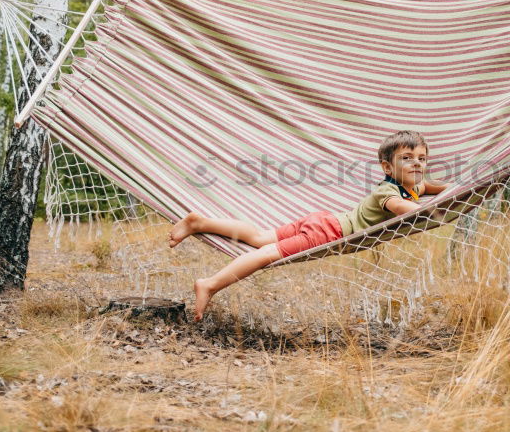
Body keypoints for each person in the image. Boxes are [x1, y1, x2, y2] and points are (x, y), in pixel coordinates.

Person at [168, 130, 449, 321]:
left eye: (422, 159)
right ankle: (210, 284)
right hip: (329, 232)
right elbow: (404, 209)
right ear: (388, 168)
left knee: (259, 237)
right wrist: (434, 210)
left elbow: (433, 187)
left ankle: (199, 221)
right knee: (265, 254)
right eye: (407, 159)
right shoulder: (387, 192)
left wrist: (461, 191)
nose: (416, 164)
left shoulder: (415, 185)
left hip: (324, 219)